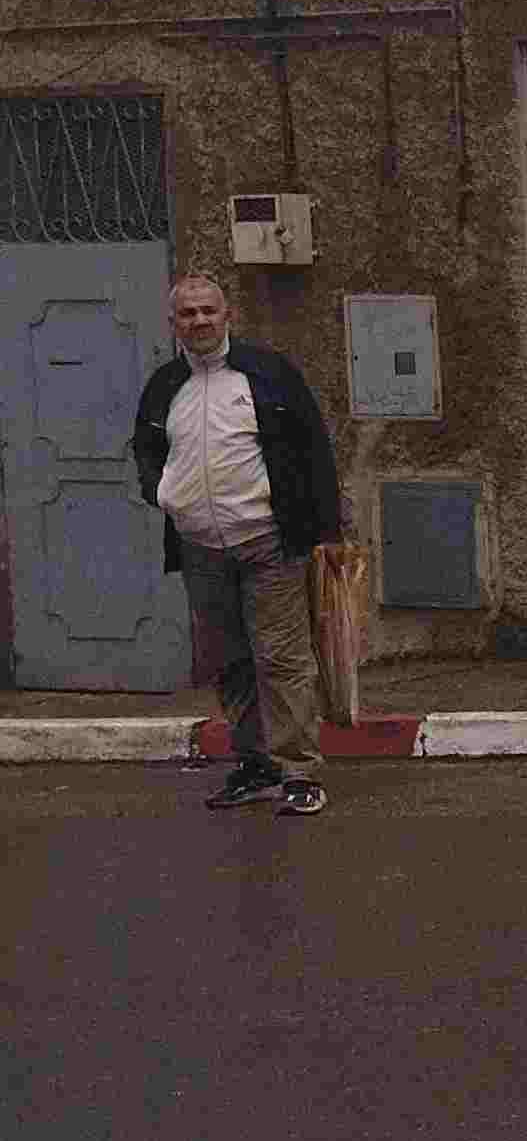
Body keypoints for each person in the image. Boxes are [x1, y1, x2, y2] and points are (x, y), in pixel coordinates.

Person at [130, 275, 344, 820]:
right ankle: (256, 765)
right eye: (187, 314)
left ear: (228, 316)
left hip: (268, 543)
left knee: (281, 659)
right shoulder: (164, 386)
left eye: (208, 310)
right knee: (231, 661)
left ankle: (299, 772)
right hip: (199, 549)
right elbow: (146, 449)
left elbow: (313, 449)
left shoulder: (268, 374)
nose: (199, 321)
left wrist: (327, 532)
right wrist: (162, 493)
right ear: (173, 324)